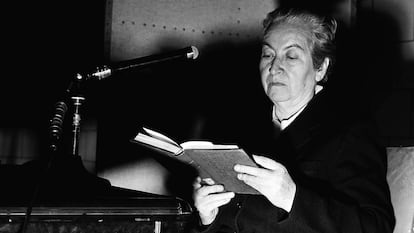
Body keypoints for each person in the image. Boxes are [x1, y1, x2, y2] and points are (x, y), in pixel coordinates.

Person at [192, 7, 395, 233]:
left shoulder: (350, 133)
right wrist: (208, 218)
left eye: (291, 56)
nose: (274, 68)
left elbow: (376, 226)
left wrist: (292, 197)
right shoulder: (243, 126)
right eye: (268, 54)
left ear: (320, 68)